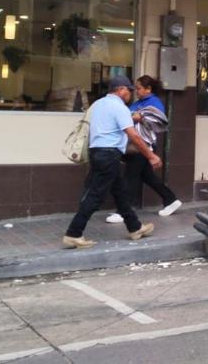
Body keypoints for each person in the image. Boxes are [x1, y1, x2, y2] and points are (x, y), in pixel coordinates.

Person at [62, 75, 160, 249]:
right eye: (129, 90)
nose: (130, 94)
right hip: (108, 155)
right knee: (95, 195)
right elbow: (134, 136)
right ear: (120, 89)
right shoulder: (118, 107)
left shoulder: (98, 104)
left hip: (97, 152)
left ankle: (135, 227)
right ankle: (73, 233)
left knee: (120, 193)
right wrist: (151, 156)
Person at [106, 75, 182, 223]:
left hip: (142, 144)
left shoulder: (154, 102)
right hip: (136, 144)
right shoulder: (138, 102)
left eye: (139, 88)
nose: (136, 91)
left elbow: (157, 120)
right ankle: (171, 199)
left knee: (130, 176)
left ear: (149, 89)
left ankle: (123, 211)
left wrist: (139, 117)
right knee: (147, 176)